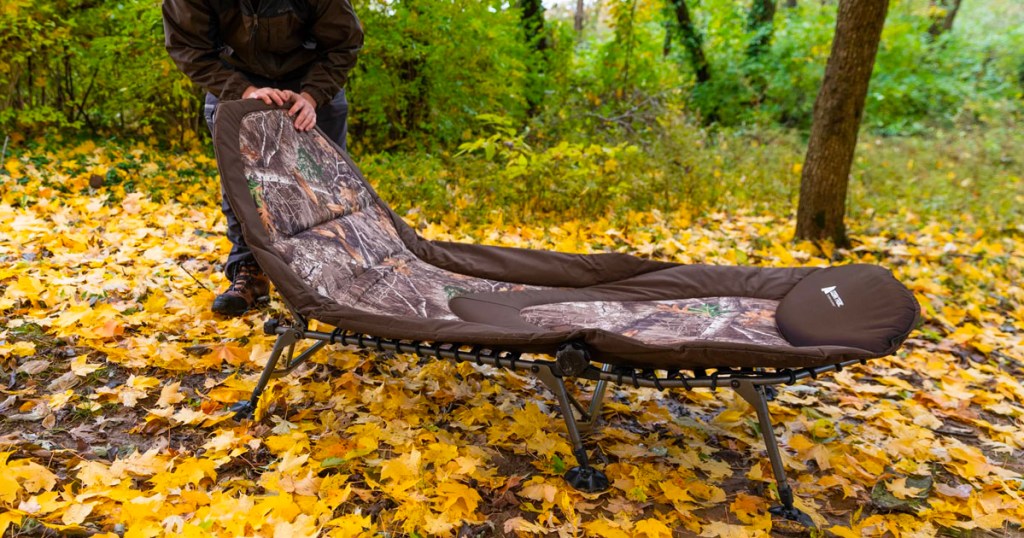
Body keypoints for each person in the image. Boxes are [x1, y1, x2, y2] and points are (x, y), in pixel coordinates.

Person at [162, 0, 363, 316]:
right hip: (233, 76)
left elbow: (344, 43)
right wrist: (243, 91)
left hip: (313, 74)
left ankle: (335, 276)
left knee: (330, 186)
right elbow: (189, 48)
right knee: (241, 184)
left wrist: (311, 98)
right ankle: (250, 273)